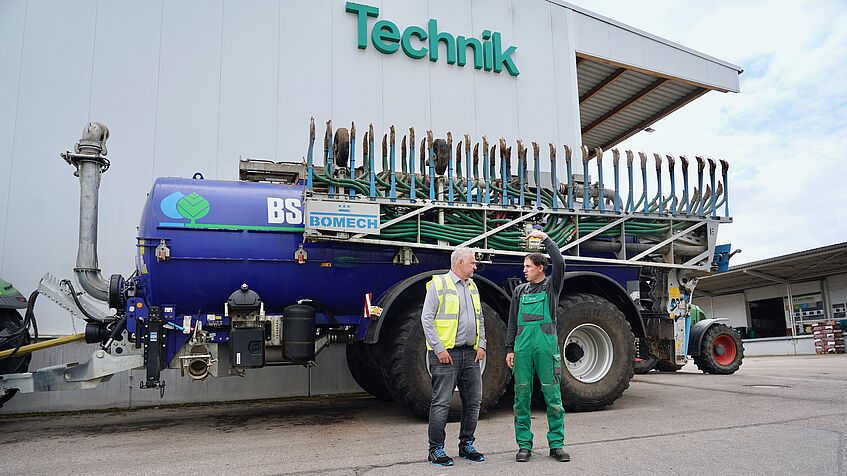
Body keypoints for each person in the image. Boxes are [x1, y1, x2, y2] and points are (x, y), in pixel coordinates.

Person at [505, 229, 570, 463]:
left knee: (553, 397)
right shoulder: (519, 291)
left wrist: (544, 239)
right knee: (521, 396)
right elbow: (512, 322)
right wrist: (509, 348)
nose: (524, 270)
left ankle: (557, 444)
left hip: (545, 348)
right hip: (522, 349)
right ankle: (524, 445)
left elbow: (560, 262)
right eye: (524, 266)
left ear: (541, 268)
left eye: (528, 266)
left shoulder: (551, 288)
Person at [421, 247, 487, 466]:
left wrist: (482, 345)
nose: (475, 266)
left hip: (470, 354)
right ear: (459, 263)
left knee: (474, 401)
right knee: (441, 403)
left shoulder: (473, 287)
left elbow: (480, 318)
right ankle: (436, 449)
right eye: (472, 263)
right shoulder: (438, 284)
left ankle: (467, 444)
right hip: (446, 355)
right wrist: (439, 349)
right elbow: (426, 319)